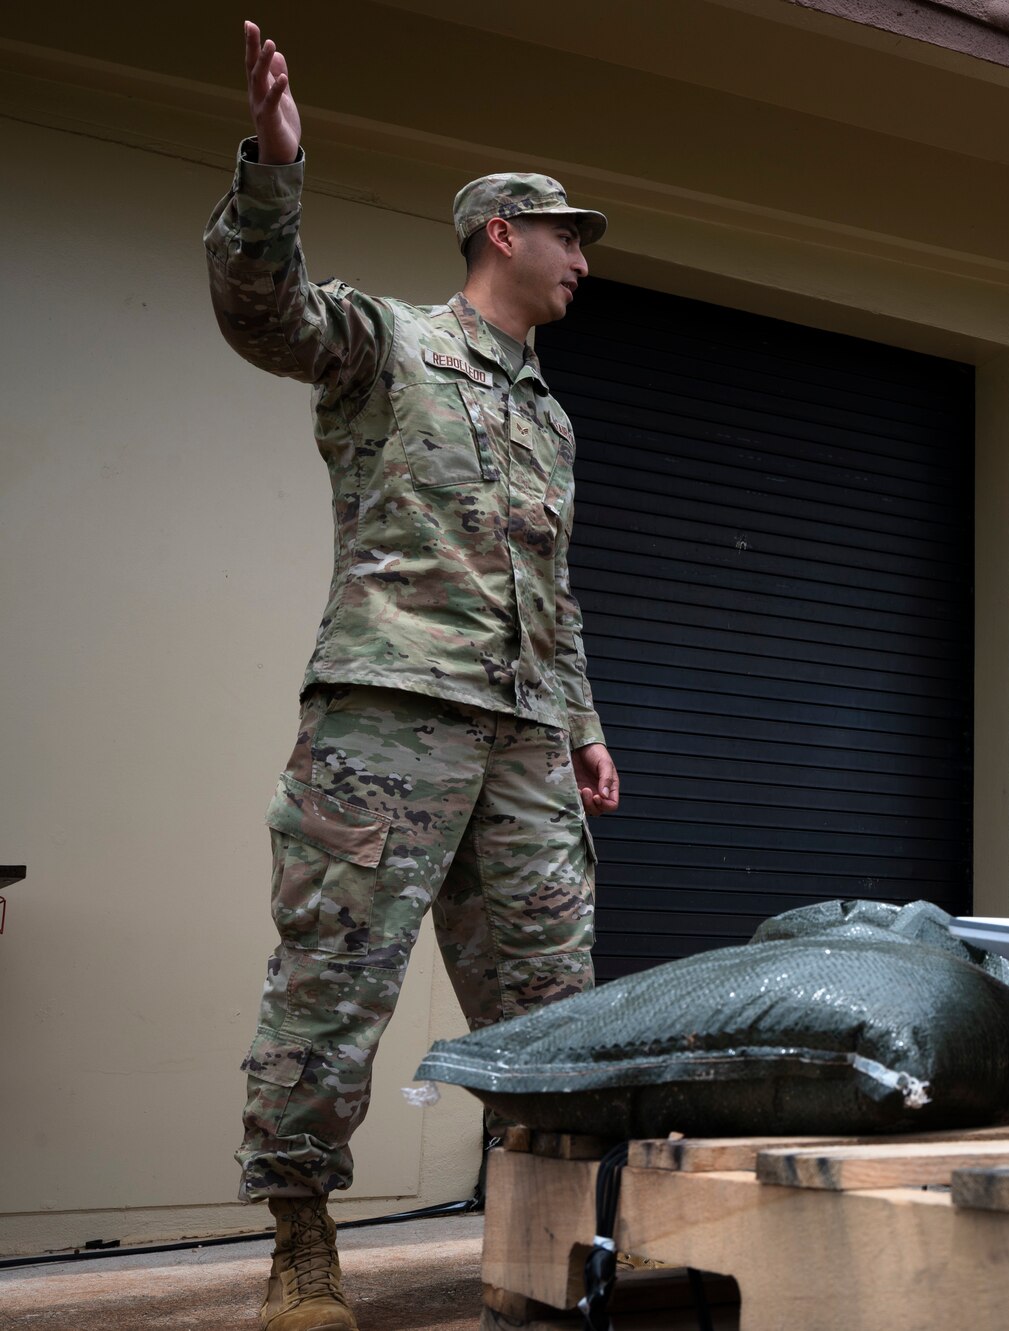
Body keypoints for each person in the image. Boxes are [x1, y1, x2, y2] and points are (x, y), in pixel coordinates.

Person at [208, 22, 621, 1331]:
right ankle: (303, 1245)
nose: (584, 258)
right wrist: (274, 166)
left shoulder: (552, 418)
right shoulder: (387, 344)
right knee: (333, 975)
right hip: (388, 716)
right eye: (569, 234)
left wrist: (584, 727)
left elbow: (549, 594)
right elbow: (263, 311)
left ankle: (543, 1245)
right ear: (503, 230)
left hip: (525, 741)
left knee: (554, 1002)